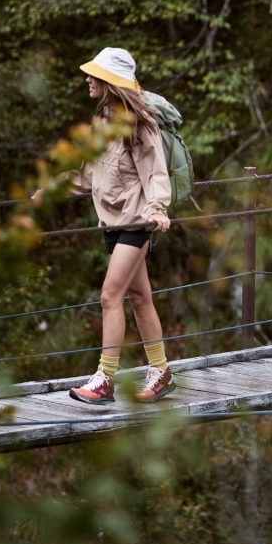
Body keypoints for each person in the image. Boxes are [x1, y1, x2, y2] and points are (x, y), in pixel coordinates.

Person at [36, 48, 176, 405]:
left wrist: (158, 209)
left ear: (111, 81)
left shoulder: (139, 123)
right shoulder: (102, 121)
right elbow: (89, 174)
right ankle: (161, 371)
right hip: (112, 224)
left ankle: (104, 380)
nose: (87, 78)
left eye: (94, 74)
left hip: (137, 223)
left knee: (109, 296)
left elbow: (155, 171)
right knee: (140, 297)